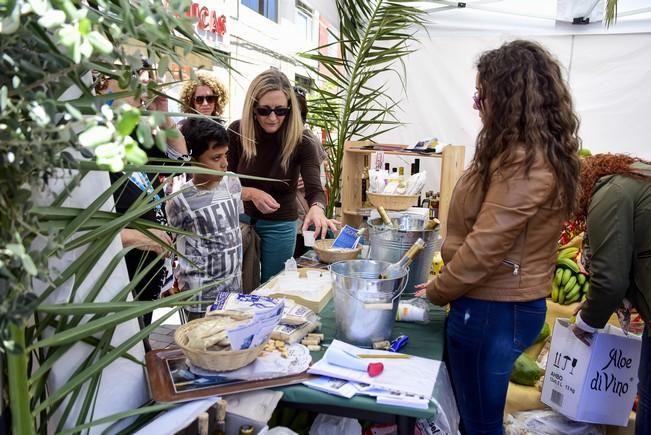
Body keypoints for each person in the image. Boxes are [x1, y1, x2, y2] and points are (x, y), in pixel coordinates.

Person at [414, 40, 581, 434]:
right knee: (476, 417)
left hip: (493, 308)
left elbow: (487, 246)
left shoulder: (525, 161)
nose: (477, 105)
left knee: (479, 422)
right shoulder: (522, 153)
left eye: (481, 95)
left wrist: (439, 290)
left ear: (509, 99)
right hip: (494, 304)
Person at [95, 64, 188, 327]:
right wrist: (136, 237)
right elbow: (77, 232)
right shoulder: (85, 146)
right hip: (115, 291)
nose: (141, 87)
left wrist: (164, 116)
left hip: (144, 282)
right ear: (101, 85)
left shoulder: (129, 134)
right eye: (130, 76)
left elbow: (179, 160)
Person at [227, 69, 337, 282]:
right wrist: (250, 193)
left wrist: (317, 208)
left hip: (280, 225)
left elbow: (315, 191)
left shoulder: (303, 141)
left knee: (273, 286)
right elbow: (222, 183)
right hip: (239, 221)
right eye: (264, 110)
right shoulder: (237, 132)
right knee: (238, 287)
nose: (272, 118)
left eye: (280, 111)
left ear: (290, 109)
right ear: (252, 108)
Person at [570, 154, 651, 435]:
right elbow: (628, 258)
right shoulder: (631, 178)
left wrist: (586, 322)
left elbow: (610, 279)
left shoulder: (608, 194)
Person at [166, 118, 244, 321]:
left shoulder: (232, 182)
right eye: (216, 158)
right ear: (193, 160)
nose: (225, 163)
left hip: (232, 291)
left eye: (225, 155)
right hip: (199, 298)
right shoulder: (180, 199)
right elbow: (168, 244)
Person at [292, 85, 328, 258]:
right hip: (283, 217)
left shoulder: (308, 140)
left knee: (302, 258)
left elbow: (321, 181)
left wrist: (305, 179)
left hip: (304, 215)